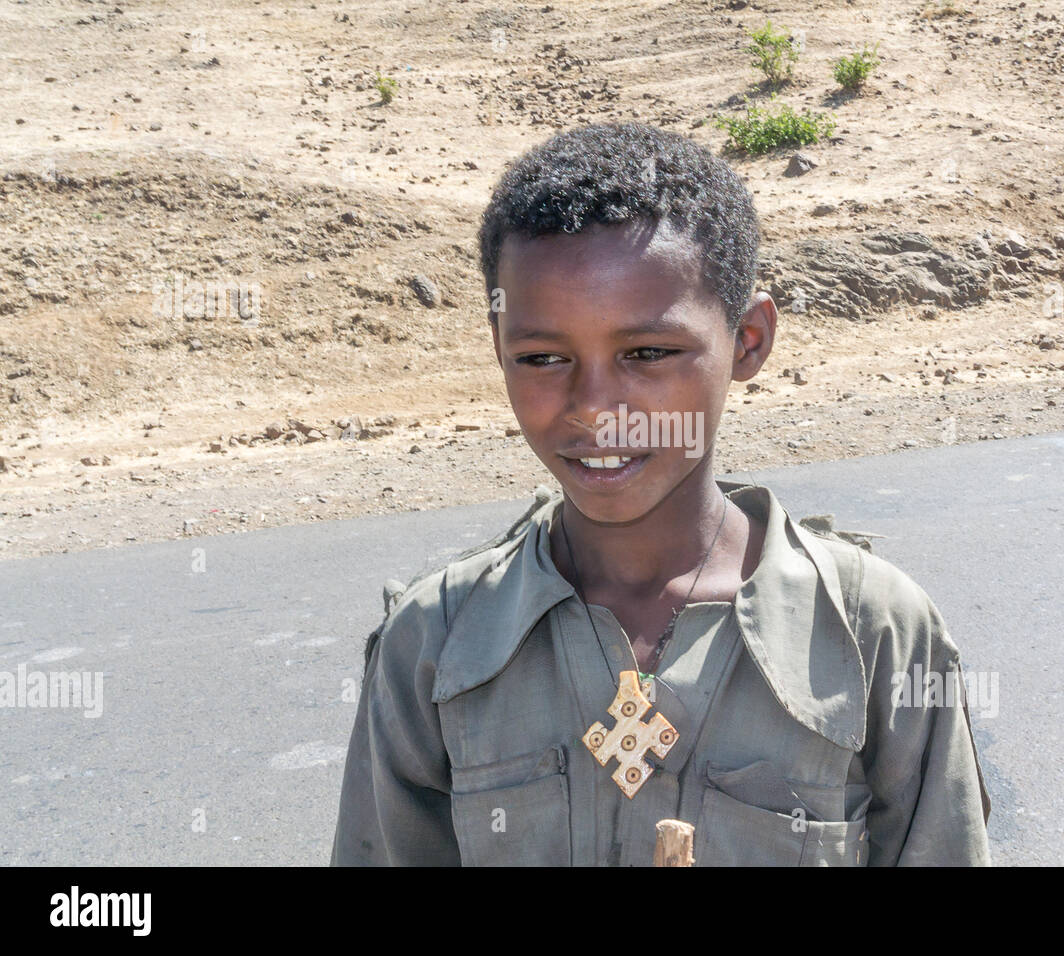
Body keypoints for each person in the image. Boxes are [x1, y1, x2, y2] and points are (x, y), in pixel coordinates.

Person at [330, 121, 992, 866]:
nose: (594, 407)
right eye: (543, 357)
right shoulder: (436, 643)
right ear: (498, 346)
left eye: (647, 353)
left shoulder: (874, 633)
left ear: (747, 340)